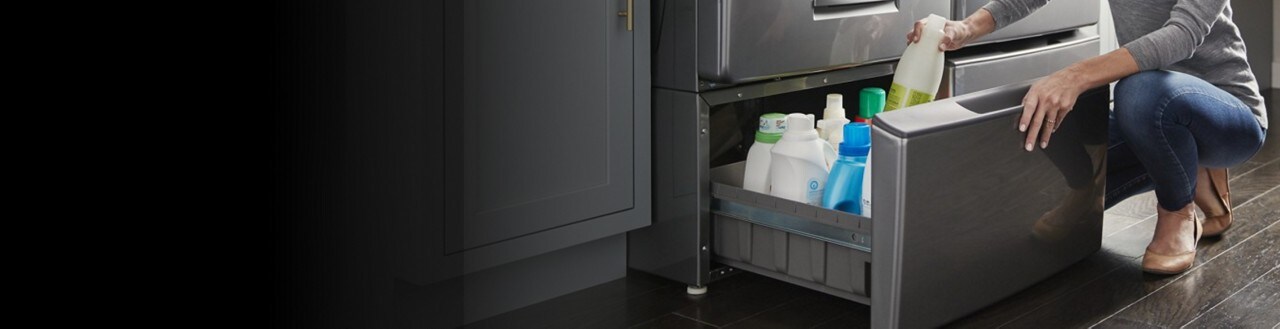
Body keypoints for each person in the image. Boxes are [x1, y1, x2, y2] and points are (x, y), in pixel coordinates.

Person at [907, 0, 1267, 275]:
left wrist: (1075, 77)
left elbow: (1183, 35)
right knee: (1040, 109)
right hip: (1151, 114)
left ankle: (1178, 210)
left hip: (1227, 113)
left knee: (1140, 90)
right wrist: (965, 28)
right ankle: (1090, 185)